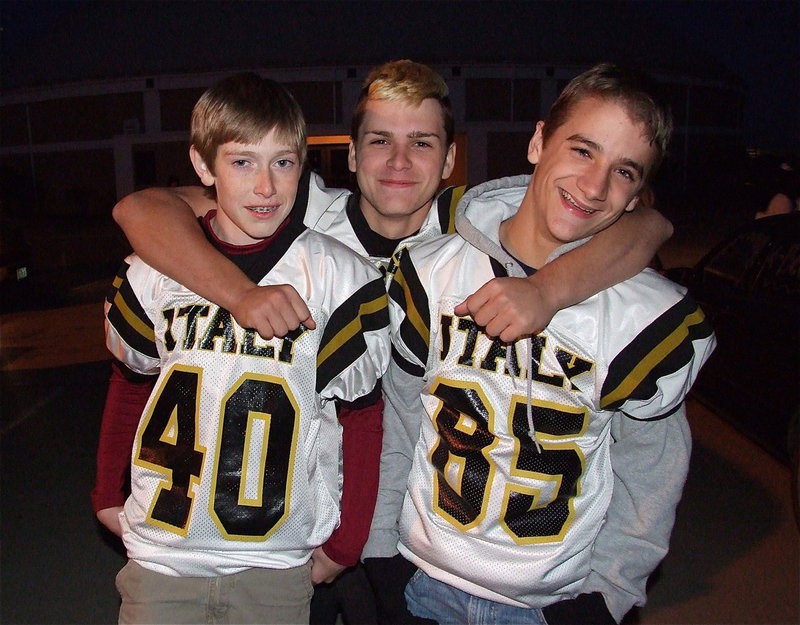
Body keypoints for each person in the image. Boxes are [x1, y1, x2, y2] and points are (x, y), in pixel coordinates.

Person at [109, 60, 674, 624]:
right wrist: (238, 294)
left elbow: (645, 226)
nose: (399, 162)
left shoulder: (466, 228)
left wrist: (549, 289)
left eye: (422, 143)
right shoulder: (297, 210)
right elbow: (145, 207)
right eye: (380, 140)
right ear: (350, 156)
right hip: (287, 522)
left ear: (450, 160)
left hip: (413, 536)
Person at [385, 63, 716, 625]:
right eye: (582, 150)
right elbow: (403, 418)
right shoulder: (432, 269)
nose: (594, 186)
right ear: (538, 141)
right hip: (422, 578)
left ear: (638, 194)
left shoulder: (643, 316)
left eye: (624, 172)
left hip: (548, 604)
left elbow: (651, 476)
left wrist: (608, 595)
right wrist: (379, 558)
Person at [92, 72, 391, 624]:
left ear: (303, 164)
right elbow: (132, 381)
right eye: (242, 162)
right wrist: (107, 495)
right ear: (203, 167)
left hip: (274, 560)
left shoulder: (339, 278)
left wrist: (344, 543)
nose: (265, 187)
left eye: (283, 162)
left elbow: (361, 417)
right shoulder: (155, 270)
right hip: (164, 553)